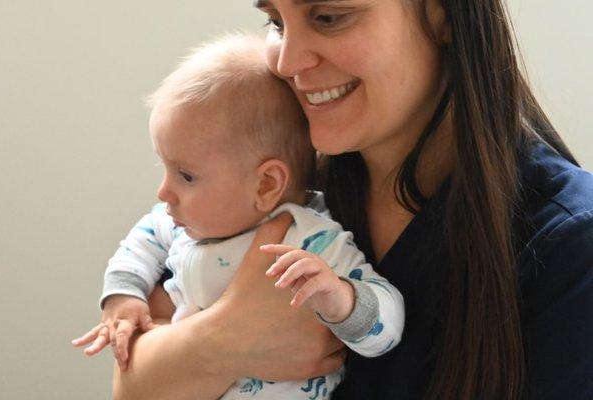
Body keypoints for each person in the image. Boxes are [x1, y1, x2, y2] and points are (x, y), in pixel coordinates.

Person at [107, 1, 593, 399]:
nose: (286, 61)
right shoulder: (267, 190)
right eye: (276, 21)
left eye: (328, 17)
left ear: (442, 14)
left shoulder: (571, 245)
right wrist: (221, 342)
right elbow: (132, 384)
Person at [72, 33, 405, 399]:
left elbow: (387, 328)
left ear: (266, 185)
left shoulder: (313, 241)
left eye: (186, 176)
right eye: (163, 167)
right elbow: (137, 246)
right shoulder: (181, 223)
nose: (163, 192)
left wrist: (341, 301)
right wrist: (123, 298)